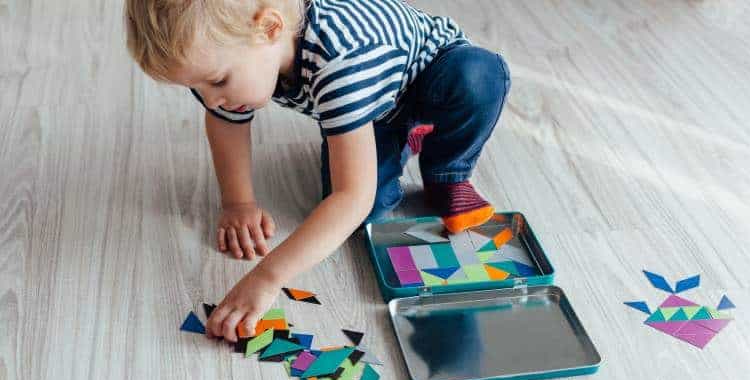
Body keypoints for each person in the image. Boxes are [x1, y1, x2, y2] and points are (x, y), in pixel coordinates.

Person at [125, 0, 511, 341]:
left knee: (477, 75)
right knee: (370, 216)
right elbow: (224, 123)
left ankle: (448, 171)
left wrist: (267, 277)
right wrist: (238, 202)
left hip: (434, 74)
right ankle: (405, 135)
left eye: (217, 81)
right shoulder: (233, 51)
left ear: (270, 29)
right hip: (372, 109)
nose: (211, 99)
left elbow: (351, 198)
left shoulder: (340, 58)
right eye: (196, 87)